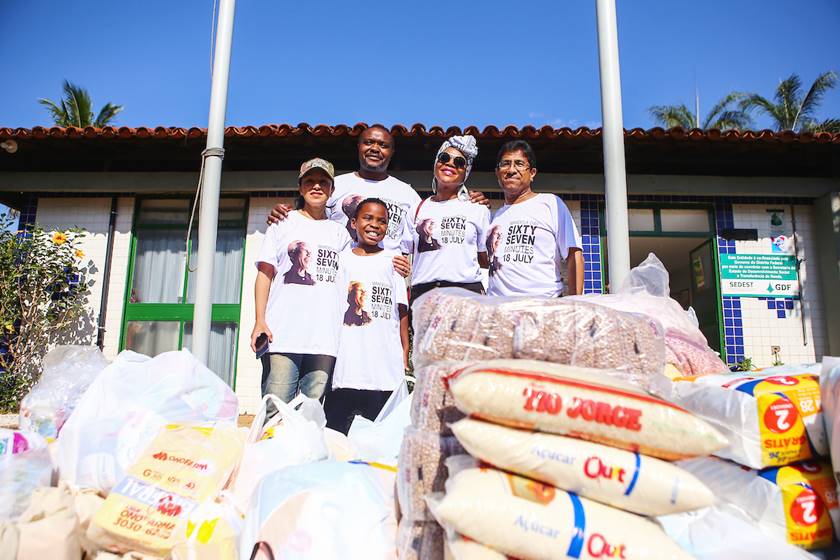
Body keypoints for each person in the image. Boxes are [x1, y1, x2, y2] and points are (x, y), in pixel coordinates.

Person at [266, 125, 490, 270]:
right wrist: (282, 213)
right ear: (359, 146)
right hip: (338, 275)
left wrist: (470, 200)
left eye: (383, 145)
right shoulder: (335, 186)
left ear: (391, 152)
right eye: (369, 142)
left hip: (385, 281)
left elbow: (436, 215)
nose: (375, 149)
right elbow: (309, 214)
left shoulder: (407, 195)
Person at [251, 158, 352, 409]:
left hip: (325, 337)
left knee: (311, 412)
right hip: (284, 334)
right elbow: (265, 274)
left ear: (331, 190)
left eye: (323, 182)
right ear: (300, 188)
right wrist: (259, 320)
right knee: (276, 408)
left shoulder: (340, 233)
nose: (316, 187)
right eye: (310, 181)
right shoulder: (282, 224)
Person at [325, 197, 410, 434]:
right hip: (346, 367)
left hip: (383, 369)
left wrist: (404, 350)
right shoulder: (342, 260)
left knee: (381, 437)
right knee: (337, 436)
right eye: (368, 218)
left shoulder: (392, 263)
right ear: (353, 222)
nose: (374, 225)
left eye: (382, 221)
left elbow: (401, 309)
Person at [487, 140, 584, 297]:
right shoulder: (495, 218)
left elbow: (574, 255)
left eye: (519, 164)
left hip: (543, 309)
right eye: (505, 164)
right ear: (497, 173)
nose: (511, 170)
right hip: (499, 312)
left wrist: (576, 304)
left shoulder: (550, 204)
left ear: (532, 173)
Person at [407, 135, 491, 301]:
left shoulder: (477, 209)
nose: (450, 164)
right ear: (436, 163)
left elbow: (485, 259)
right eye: (444, 158)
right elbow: (403, 257)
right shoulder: (417, 209)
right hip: (424, 296)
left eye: (459, 162)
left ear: (466, 172)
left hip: (466, 296)